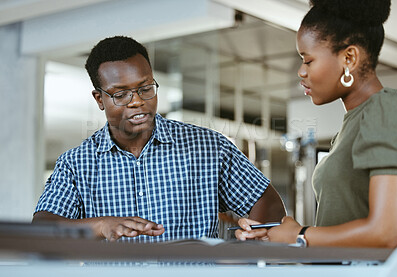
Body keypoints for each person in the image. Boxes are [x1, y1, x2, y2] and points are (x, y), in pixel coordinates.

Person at [33, 36, 286, 242]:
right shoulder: (76, 164)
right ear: (100, 99)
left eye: (145, 88)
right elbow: (43, 229)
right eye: (120, 94)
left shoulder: (209, 147)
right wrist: (100, 225)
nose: (137, 101)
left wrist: (245, 255)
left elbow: (269, 204)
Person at [235, 0, 397, 248]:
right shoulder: (351, 126)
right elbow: (344, 223)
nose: (301, 72)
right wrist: (280, 234)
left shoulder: (383, 108)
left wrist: (301, 235)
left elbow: (387, 232)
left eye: (308, 60)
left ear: (349, 57)